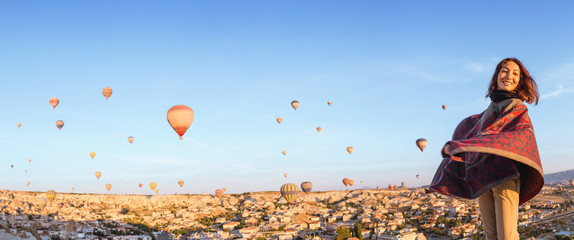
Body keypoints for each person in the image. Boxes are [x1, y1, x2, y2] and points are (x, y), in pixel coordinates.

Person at [426, 58, 544, 240]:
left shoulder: (517, 108)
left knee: (507, 236)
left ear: (520, 81)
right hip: (483, 179)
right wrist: (461, 141)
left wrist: (464, 145)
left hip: (505, 178)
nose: (509, 76)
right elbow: (476, 134)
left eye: (515, 73)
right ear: (496, 75)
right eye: (504, 71)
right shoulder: (489, 109)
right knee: (491, 235)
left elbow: (515, 137)